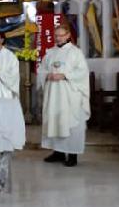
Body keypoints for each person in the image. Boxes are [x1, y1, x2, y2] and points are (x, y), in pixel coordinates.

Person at [38, 24, 90, 167]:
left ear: (67, 35)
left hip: (70, 96)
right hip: (53, 95)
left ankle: (72, 155)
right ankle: (58, 152)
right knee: (55, 121)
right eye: (56, 36)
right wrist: (47, 75)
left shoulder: (75, 53)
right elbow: (41, 69)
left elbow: (82, 73)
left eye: (61, 35)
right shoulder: (50, 52)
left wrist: (65, 75)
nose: (58, 38)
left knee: (71, 123)